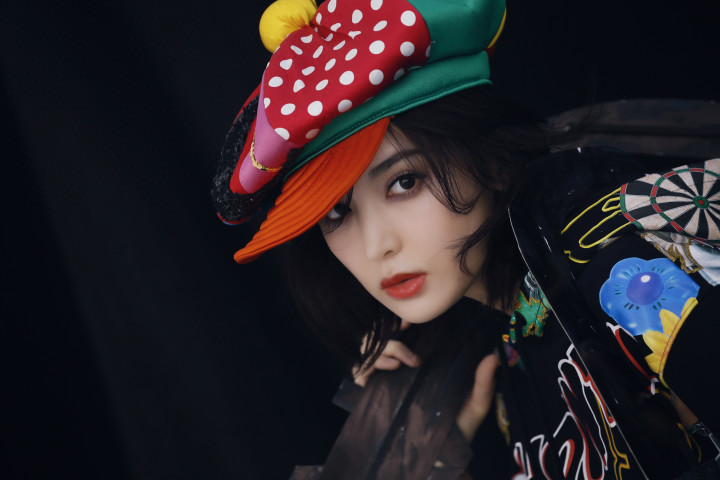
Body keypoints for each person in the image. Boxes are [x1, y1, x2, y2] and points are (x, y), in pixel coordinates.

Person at [212, 0, 720, 477]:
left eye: (405, 181)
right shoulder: (508, 344)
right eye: (336, 213)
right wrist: (413, 433)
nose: (376, 246)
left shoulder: (619, 265)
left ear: (490, 162)